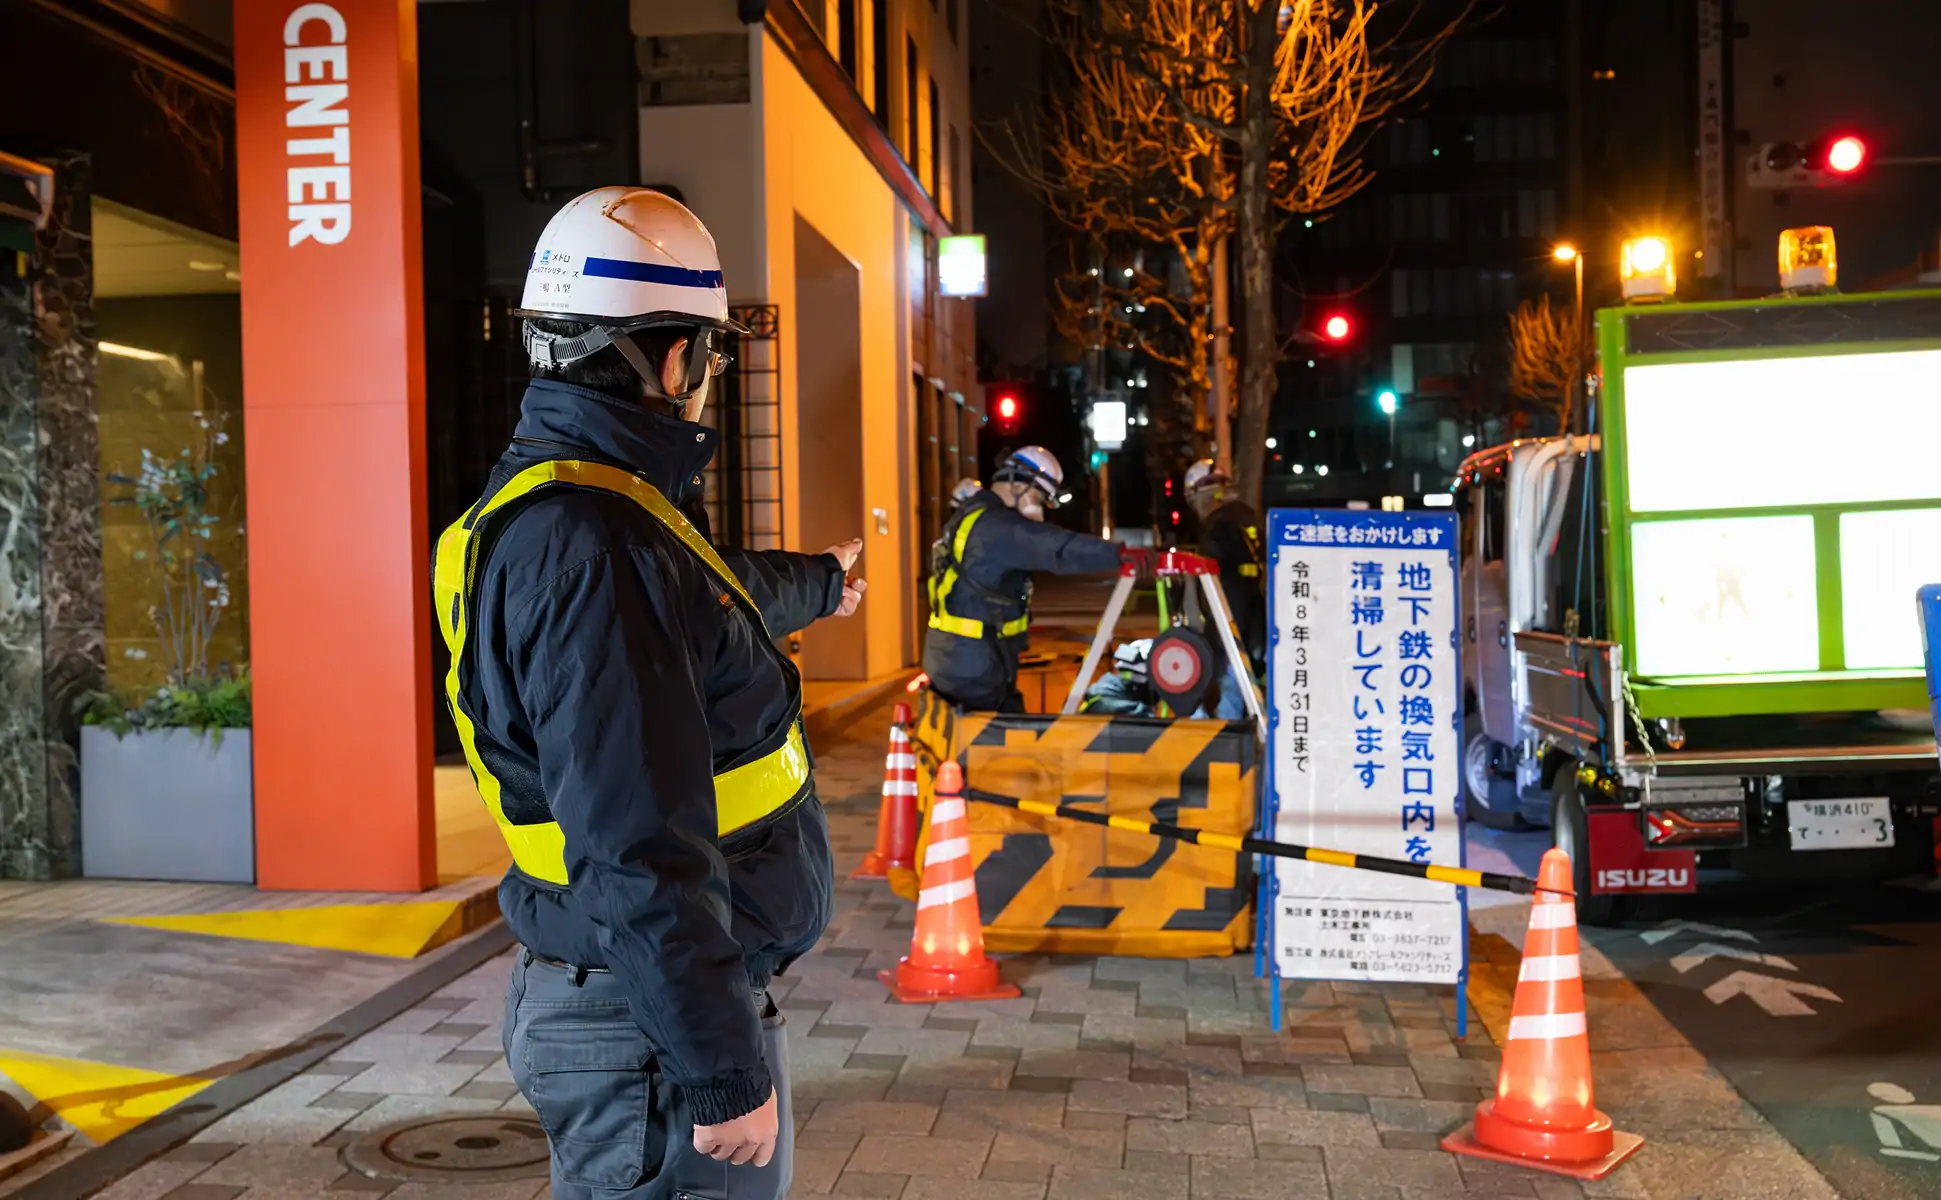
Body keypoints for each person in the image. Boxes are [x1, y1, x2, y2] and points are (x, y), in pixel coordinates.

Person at [432, 187, 863, 1200]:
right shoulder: (600, 549)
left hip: (631, 1008)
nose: (709, 378)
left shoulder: (581, 511)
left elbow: (705, 598)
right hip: (646, 1037)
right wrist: (719, 1070)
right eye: (712, 355)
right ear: (673, 361)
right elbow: (636, 841)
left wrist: (820, 583)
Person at [922, 446, 1124, 712]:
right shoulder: (996, 528)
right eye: (1038, 499)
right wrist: (1120, 555)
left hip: (970, 659)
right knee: (998, 735)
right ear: (1018, 485)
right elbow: (1056, 548)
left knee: (1010, 726)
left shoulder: (981, 518)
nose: (1038, 510)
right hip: (972, 666)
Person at [1184, 458, 1264, 720]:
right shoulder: (1247, 518)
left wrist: (1222, 633)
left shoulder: (1217, 527)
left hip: (1232, 620)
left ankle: (1223, 737)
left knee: (1230, 687)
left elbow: (1218, 584)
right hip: (1256, 617)